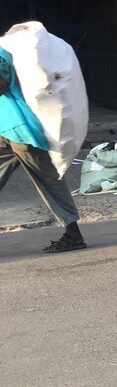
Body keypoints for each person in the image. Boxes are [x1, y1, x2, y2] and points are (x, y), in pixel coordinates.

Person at [0, 47, 86, 253]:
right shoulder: (11, 50)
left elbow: (2, 85)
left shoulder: (3, 53)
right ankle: (73, 233)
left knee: (49, 181)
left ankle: (73, 234)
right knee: (49, 180)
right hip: (7, 128)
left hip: (21, 130)